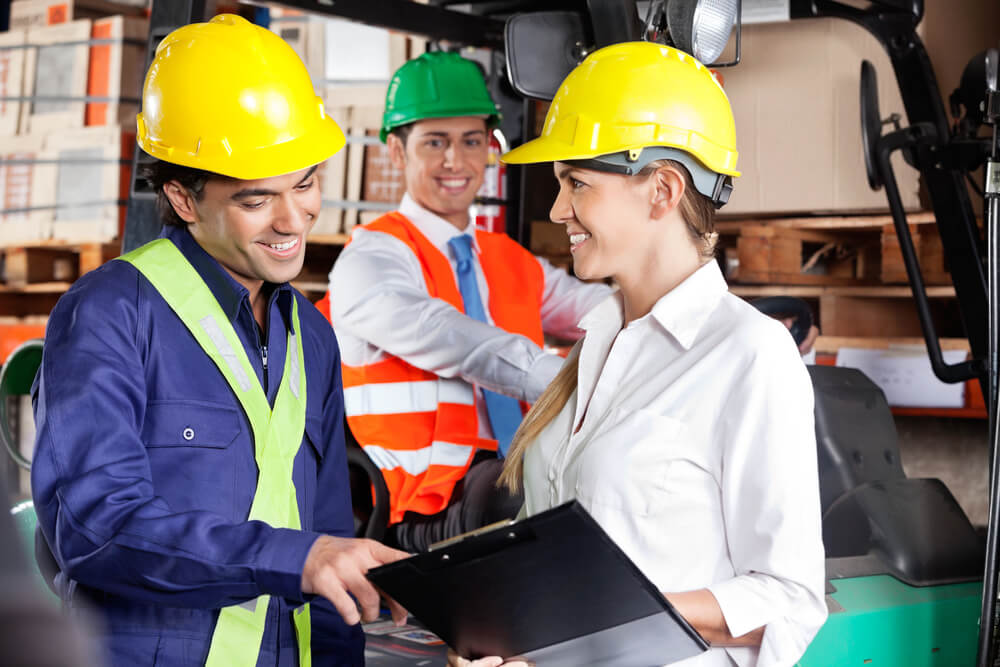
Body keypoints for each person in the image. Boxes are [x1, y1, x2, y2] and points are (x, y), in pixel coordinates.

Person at [30, 15, 407, 666]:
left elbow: (328, 548)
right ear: (182, 196)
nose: (294, 220)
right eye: (258, 199)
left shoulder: (310, 335)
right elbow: (93, 527)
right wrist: (296, 557)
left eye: (306, 183)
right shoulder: (112, 315)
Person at [452, 41, 827, 667]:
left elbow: (787, 599)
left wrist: (597, 617)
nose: (556, 209)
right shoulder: (597, 340)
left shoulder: (749, 355)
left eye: (577, 184)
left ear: (662, 190)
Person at [327, 52, 612, 552]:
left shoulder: (505, 259)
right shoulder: (370, 260)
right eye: (435, 142)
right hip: (415, 506)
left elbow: (593, 306)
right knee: (519, 493)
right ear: (396, 151)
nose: (455, 161)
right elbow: (451, 338)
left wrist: (674, 314)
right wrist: (562, 377)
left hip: (506, 472)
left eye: (471, 141)